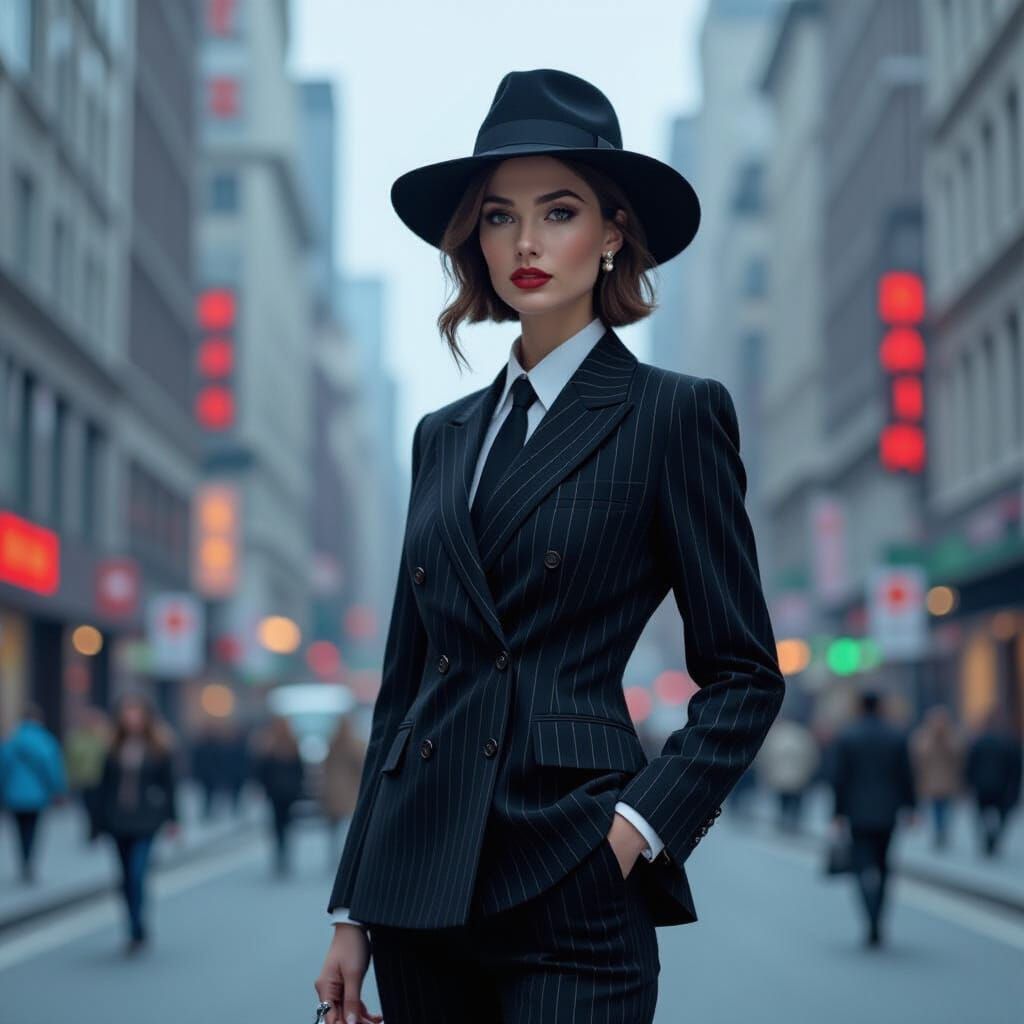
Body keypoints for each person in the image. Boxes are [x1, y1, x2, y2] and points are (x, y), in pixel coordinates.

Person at [314, 69, 785, 1024]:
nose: (525, 243)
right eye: (498, 217)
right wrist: (354, 905)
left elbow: (744, 673)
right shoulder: (442, 435)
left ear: (613, 231)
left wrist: (636, 830)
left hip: (572, 878)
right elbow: (407, 683)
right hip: (420, 886)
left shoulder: (672, 415)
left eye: (558, 211)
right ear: (474, 240)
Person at [829, 688, 917, 949]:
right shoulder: (896, 735)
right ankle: (879, 916)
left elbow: (839, 779)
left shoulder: (847, 736)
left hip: (857, 813)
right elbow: (906, 775)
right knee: (884, 864)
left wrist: (837, 813)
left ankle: (870, 918)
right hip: (888, 811)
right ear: (880, 706)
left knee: (860, 866)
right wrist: (911, 807)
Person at [94, 692, 179, 953]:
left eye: (136, 713)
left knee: (137, 873)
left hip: (145, 820)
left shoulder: (158, 748)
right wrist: (96, 823)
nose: (132, 718)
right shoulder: (113, 747)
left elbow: (169, 786)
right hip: (118, 821)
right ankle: (131, 923)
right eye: (127, 713)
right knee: (124, 878)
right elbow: (103, 787)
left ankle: (138, 925)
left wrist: (173, 819)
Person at [0, 704, 68, 883]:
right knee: (33, 829)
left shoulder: (11, 740)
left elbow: (3, 768)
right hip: (37, 795)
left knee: (18, 830)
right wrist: (58, 789)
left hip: (14, 794)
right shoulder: (45, 740)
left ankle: (23, 860)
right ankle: (29, 862)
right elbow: (52, 768)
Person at [964, 708, 1023, 858]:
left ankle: (988, 838)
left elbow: (970, 764)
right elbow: (1016, 767)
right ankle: (995, 837)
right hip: (1004, 787)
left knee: (982, 814)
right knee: (1003, 815)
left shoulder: (979, 741)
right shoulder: (1011, 741)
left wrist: (968, 783)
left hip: (982, 785)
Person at [252, 715, 305, 877]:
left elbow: (261, 771)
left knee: (279, 824)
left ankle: (281, 853)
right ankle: (283, 853)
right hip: (284, 792)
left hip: (278, 792)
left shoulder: (271, 745)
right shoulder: (287, 745)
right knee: (285, 824)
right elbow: (299, 770)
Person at [909, 704, 964, 850]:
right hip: (930, 781)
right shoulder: (923, 736)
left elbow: (959, 756)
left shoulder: (952, 735)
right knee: (935, 809)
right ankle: (939, 832)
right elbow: (918, 757)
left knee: (946, 809)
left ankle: (943, 832)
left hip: (948, 781)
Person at [756, 717, 820, 833]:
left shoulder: (778, 735)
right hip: (798, 777)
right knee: (795, 800)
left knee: (783, 800)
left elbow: (768, 756)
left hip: (781, 776)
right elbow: (812, 758)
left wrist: (768, 773)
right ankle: (792, 821)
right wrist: (808, 774)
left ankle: (783, 820)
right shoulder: (804, 736)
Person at [320, 716, 366, 869]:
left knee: (336, 828)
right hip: (349, 792)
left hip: (335, 792)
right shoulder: (355, 745)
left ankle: (338, 856)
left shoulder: (333, 744)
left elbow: (325, 768)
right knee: (346, 827)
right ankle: (346, 856)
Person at [64, 704, 112, 842]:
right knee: (87, 807)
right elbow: (70, 759)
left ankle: (97, 829)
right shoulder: (77, 737)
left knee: (98, 806)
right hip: (84, 780)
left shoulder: (105, 735)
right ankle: (92, 829)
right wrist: (70, 778)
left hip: (101, 779)